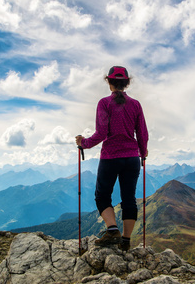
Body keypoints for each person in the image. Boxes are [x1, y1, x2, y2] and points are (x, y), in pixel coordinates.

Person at [76, 66, 148, 251]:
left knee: (102, 195)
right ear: (127, 83)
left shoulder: (104, 103)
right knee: (129, 199)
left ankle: (112, 229)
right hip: (132, 157)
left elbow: (101, 133)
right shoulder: (136, 105)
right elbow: (142, 132)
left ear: (109, 82)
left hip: (110, 157)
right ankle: (125, 241)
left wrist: (83, 143)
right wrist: (143, 150)